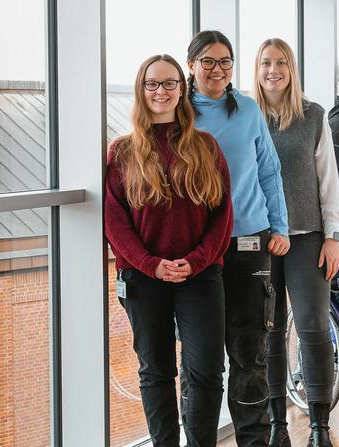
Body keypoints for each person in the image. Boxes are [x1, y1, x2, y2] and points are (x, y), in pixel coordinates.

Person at [104, 54, 233, 447]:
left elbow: (223, 215)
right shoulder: (122, 152)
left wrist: (193, 262)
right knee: (156, 370)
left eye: (170, 83)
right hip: (143, 277)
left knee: (207, 371)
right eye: (153, 84)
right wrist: (150, 265)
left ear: (182, 89)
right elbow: (114, 221)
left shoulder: (206, 147)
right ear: (141, 91)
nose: (161, 91)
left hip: (200, 274)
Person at [186, 31, 290, 447]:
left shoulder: (247, 109)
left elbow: (269, 171)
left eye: (225, 61)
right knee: (200, 359)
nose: (217, 69)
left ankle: (253, 441)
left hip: (248, 241)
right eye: (207, 61)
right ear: (190, 64)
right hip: (196, 249)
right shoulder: (178, 111)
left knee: (250, 354)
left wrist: (279, 227)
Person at [253, 38, 339, 447]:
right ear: (257, 69)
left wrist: (333, 236)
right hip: (257, 240)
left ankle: (319, 427)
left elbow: (329, 181)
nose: (274, 70)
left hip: (308, 237)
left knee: (312, 328)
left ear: (292, 69)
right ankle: (276, 426)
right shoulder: (244, 116)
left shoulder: (313, 115)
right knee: (268, 332)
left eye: (281, 63)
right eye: (266, 63)